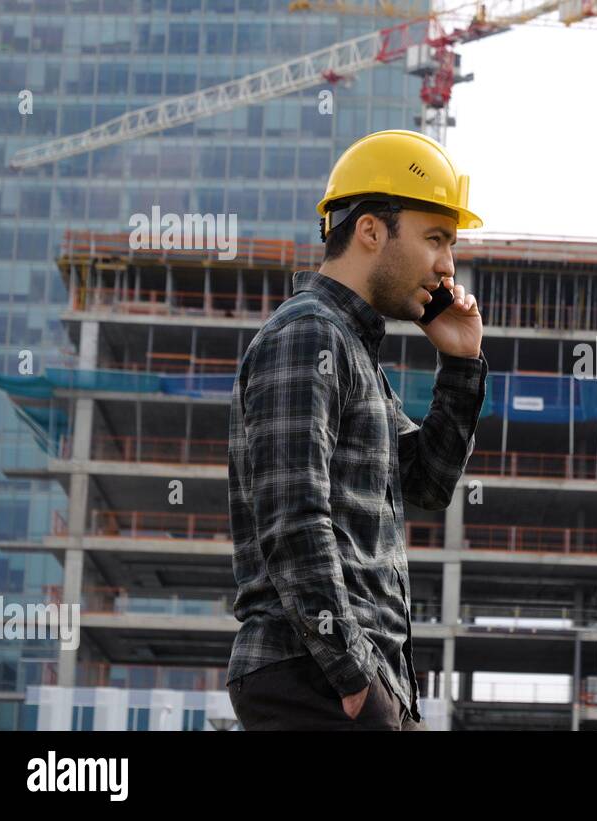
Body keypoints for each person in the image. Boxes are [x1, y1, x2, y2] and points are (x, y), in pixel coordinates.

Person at [225, 130, 486, 730]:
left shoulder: (352, 351)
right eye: (436, 239)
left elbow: (426, 483)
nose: (448, 265)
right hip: (315, 675)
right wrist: (350, 676)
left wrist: (462, 364)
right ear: (371, 230)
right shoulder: (308, 336)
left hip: (354, 681)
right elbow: (294, 516)